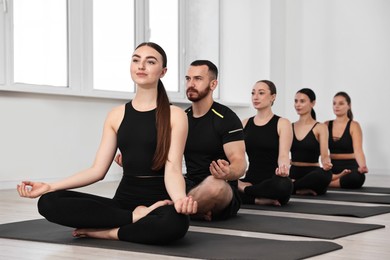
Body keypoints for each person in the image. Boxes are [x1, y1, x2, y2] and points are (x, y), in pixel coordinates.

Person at [16, 42, 197, 245]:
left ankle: (107, 232)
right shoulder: (116, 115)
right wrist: (49, 186)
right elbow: (97, 170)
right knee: (49, 202)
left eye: (150, 61)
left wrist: (180, 199)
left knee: (174, 223)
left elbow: (172, 170)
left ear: (163, 71)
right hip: (123, 204)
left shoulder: (176, 115)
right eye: (136, 60)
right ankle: (133, 219)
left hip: (160, 203)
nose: (141, 66)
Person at [183, 60, 247, 221]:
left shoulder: (227, 118)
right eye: (188, 79)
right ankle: (195, 209)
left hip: (221, 186)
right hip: (189, 184)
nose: (191, 84)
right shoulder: (182, 118)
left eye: (197, 79)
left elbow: (240, 164)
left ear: (213, 84)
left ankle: (179, 208)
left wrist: (228, 172)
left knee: (214, 185)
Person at [238, 80, 293, 206]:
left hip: (273, 181)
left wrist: (283, 169)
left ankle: (247, 192)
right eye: (253, 93)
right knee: (224, 186)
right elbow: (237, 156)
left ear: (273, 97)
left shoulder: (282, 123)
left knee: (284, 185)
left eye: (261, 93)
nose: (255, 97)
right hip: (250, 179)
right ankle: (258, 199)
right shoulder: (245, 123)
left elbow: (284, 155)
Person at [290, 88, 332, 196]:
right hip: (293, 172)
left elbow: (324, 155)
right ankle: (297, 188)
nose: (298, 104)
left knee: (326, 174)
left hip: (313, 173)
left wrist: (326, 163)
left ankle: (292, 187)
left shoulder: (321, 127)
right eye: (296, 101)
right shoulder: (289, 126)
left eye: (302, 101)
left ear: (313, 103)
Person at [325, 91, 368, 188]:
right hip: (332, 167)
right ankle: (335, 180)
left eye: (341, 103)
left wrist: (362, 166)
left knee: (357, 178)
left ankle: (327, 183)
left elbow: (358, 150)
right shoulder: (326, 125)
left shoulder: (354, 125)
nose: (336, 106)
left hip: (350, 168)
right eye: (334, 103)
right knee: (315, 173)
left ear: (349, 106)